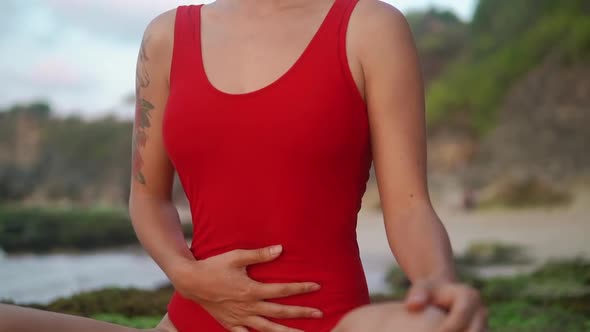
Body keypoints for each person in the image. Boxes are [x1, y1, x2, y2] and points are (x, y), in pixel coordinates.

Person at [0, 0, 487, 331]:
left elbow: (408, 205)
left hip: (331, 321)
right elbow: (148, 197)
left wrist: (436, 283)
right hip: (190, 320)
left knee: (429, 326)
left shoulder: (370, 27)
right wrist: (184, 274)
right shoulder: (167, 36)